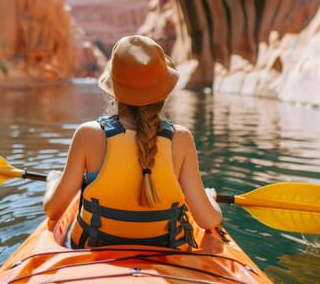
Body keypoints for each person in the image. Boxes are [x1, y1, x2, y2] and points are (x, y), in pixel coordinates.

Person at [43, 35, 222, 249]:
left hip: (93, 246)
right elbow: (208, 220)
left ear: (114, 92)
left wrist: (53, 181)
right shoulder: (180, 138)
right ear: (163, 94)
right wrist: (209, 198)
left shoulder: (87, 135)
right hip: (168, 251)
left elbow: (54, 210)